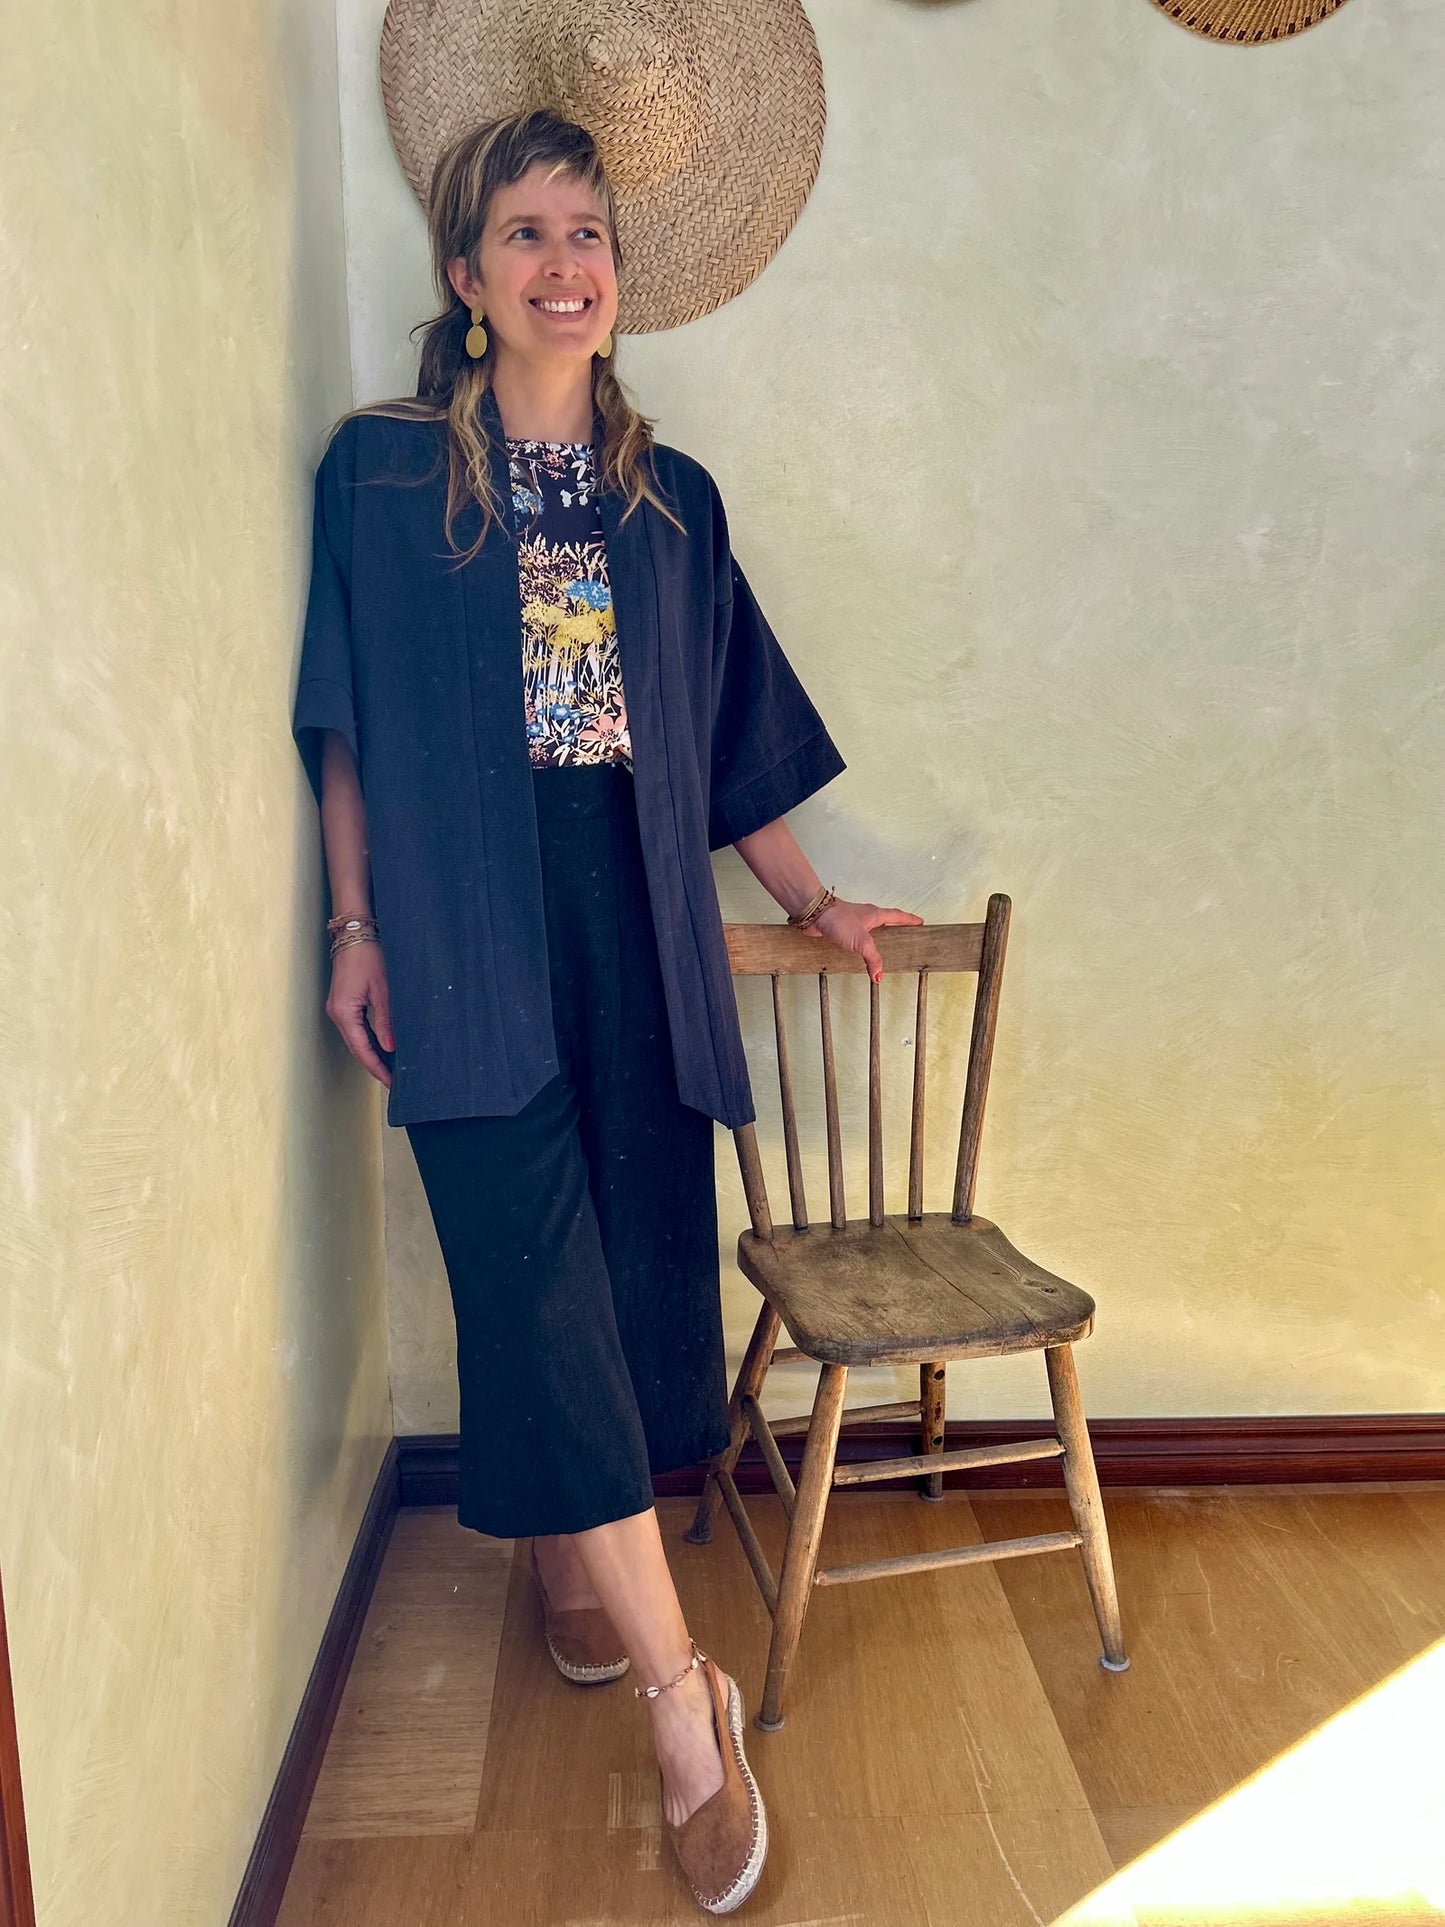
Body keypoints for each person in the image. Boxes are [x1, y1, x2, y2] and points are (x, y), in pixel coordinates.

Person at [292, 109, 921, 1915]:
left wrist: (806, 895)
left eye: (590, 231)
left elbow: (726, 731)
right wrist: (356, 923)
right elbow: (346, 717)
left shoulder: (672, 496)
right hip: (466, 917)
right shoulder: (386, 473)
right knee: (517, 1257)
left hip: (631, 920)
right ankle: (681, 1694)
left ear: (614, 278)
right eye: (525, 231)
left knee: (630, 1266)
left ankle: (583, 1563)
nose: (565, 261)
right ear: (464, 274)